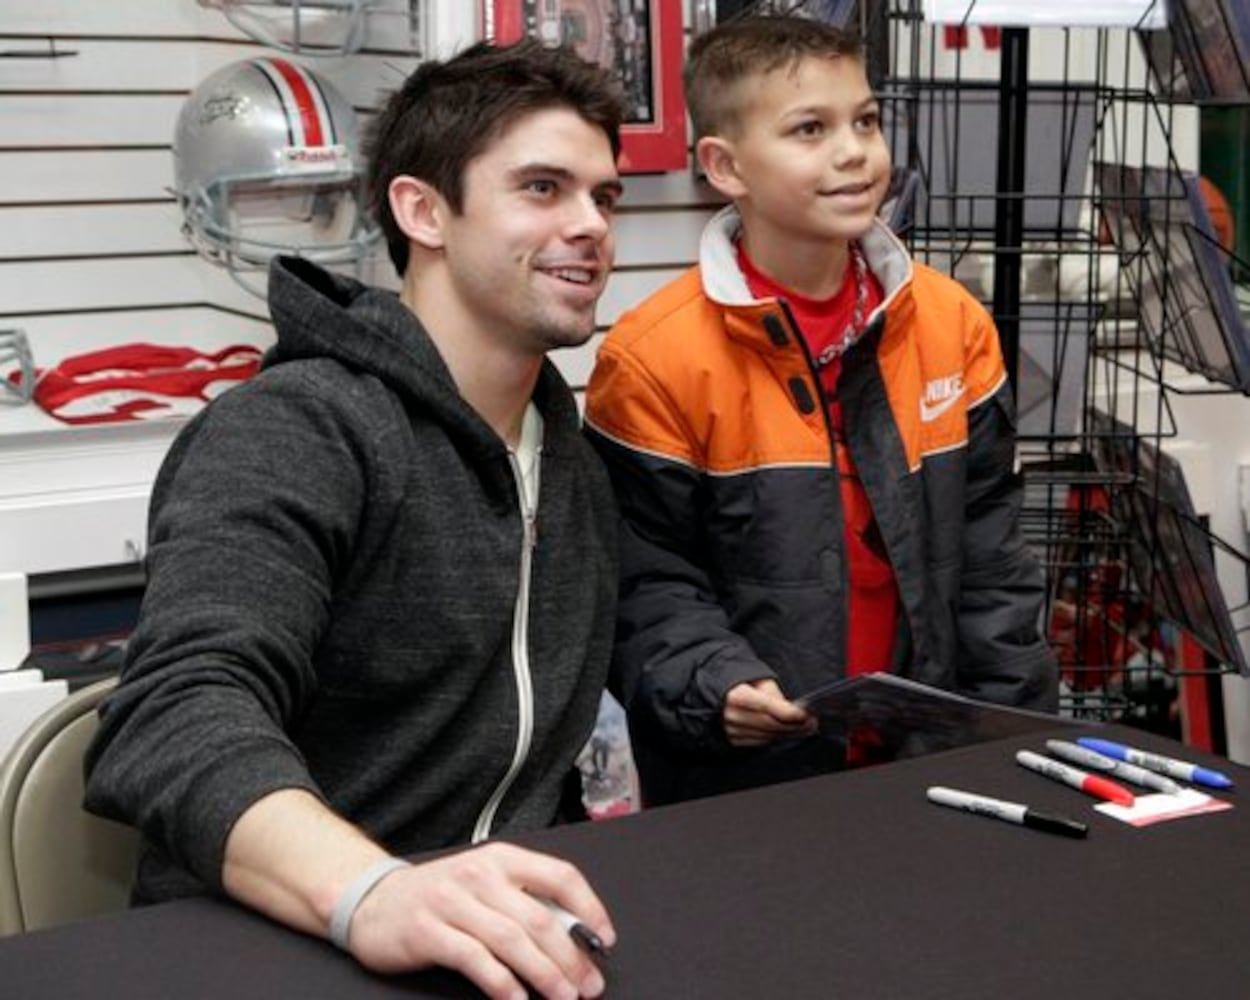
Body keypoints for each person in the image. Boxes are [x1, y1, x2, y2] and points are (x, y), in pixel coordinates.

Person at [85, 39, 626, 1000]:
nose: (589, 225)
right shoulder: (297, 429)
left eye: (603, 196)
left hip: (498, 944)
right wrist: (372, 891)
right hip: (284, 943)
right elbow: (175, 713)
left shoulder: (566, 454)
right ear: (423, 211)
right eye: (542, 189)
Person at [584, 15, 1058, 805]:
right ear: (724, 165)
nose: (853, 151)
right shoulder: (653, 356)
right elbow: (642, 577)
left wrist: (1013, 732)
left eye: (864, 121)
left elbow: (992, 552)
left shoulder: (951, 324)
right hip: (745, 787)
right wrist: (714, 682)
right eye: (810, 128)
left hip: (934, 770)